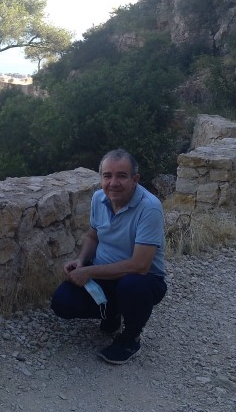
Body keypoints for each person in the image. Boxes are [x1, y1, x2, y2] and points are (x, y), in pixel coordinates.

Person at [50, 149, 167, 364]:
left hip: (143, 279)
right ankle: (113, 313)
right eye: (107, 176)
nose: (113, 183)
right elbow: (93, 236)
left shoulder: (149, 208)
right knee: (62, 302)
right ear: (101, 178)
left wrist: (89, 272)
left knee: (131, 287)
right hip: (105, 274)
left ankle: (130, 338)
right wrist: (81, 261)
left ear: (135, 179)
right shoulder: (98, 198)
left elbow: (140, 266)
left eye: (122, 175)